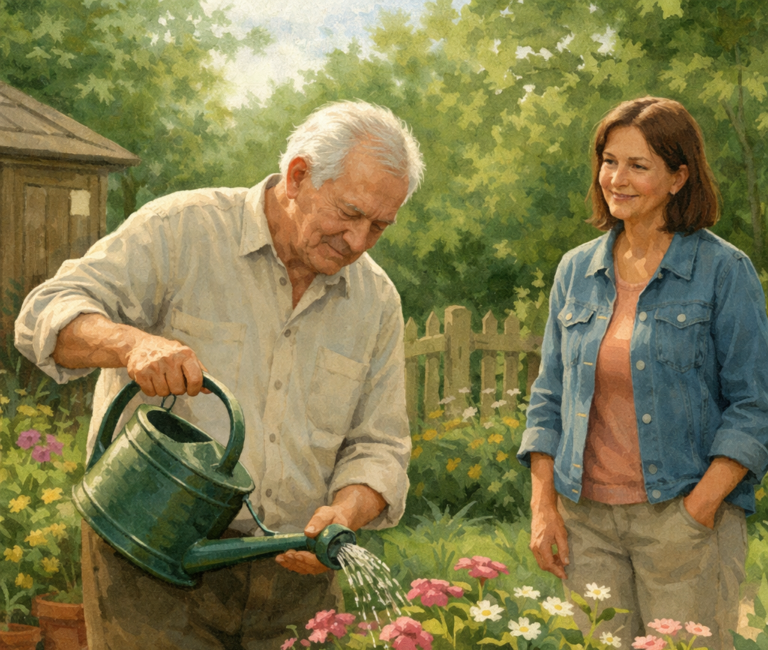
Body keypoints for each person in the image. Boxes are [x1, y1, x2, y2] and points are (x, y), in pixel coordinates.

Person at [15, 100, 424, 650]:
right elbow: (45, 313)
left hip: (293, 581)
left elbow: (380, 445)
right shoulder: (182, 229)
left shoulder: (375, 300)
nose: (357, 241)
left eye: (379, 226)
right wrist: (132, 344)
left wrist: (344, 513)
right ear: (298, 176)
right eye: (348, 214)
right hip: (149, 559)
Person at [517, 96, 768, 649]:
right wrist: (545, 507)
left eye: (638, 165)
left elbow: (755, 408)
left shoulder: (723, 271)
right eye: (609, 161)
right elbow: (549, 396)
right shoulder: (576, 270)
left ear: (680, 177)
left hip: (682, 518)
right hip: (587, 524)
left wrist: (697, 512)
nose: (617, 179)